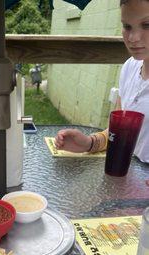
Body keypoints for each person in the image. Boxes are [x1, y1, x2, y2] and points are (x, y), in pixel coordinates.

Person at [55, 0, 149, 163]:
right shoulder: (130, 67)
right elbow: (117, 132)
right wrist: (89, 143)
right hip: (129, 177)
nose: (133, 38)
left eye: (147, 25)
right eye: (127, 26)